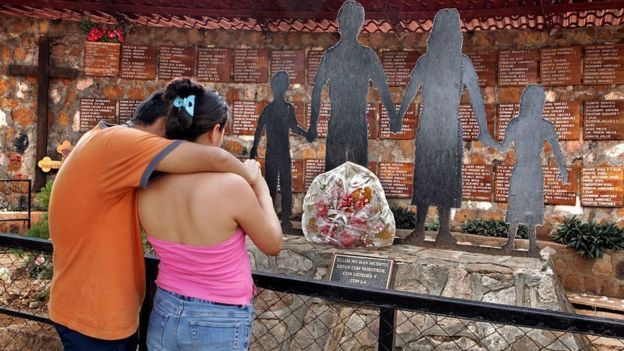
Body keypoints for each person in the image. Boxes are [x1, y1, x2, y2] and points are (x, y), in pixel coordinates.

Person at [48, 86, 259, 349]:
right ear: (163, 126)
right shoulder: (118, 142)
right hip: (95, 316)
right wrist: (251, 176)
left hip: (90, 308)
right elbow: (216, 158)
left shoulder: (104, 140)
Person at [138, 78, 283, 350]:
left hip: (165, 309)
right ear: (216, 131)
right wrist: (260, 185)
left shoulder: (147, 188)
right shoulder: (232, 186)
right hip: (219, 317)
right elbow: (272, 244)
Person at [395, 8, 496, 246]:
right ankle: (436, 231)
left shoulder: (441, 62)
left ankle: (432, 231)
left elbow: (411, 90)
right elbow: (476, 99)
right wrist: (483, 129)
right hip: (442, 126)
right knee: (434, 176)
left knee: (434, 176)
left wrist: (399, 115)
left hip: (436, 125)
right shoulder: (452, 62)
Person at [307, 0, 396, 171]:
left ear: (340, 23)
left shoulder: (334, 56)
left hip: (347, 121)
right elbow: (382, 87)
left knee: (343, 174)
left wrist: (313, 125)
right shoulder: (364, 55)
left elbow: (317, 90)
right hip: (349, 121)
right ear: (359, 25)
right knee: (351, 175)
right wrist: (393, 116)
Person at [496, 84, 567, 255]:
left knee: (524, 203)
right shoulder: (541, 125)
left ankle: (517, 243)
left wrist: (490, 141)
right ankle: (524, 243)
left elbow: (503, 147)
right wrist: (562, 169)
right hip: (530, 169)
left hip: (525, 169)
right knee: (525, 203)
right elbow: (556, 150)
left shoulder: (519, 123)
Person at [250, 71, 307, 233]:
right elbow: (260, 129)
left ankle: (285, 219)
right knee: (272, 186)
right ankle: (274, 217)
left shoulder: (285, 109)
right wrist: (254, 148)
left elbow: (294, 128)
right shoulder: (274, 110)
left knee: (283, 185)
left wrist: (306, 133)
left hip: (281, 154)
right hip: (274, 154)